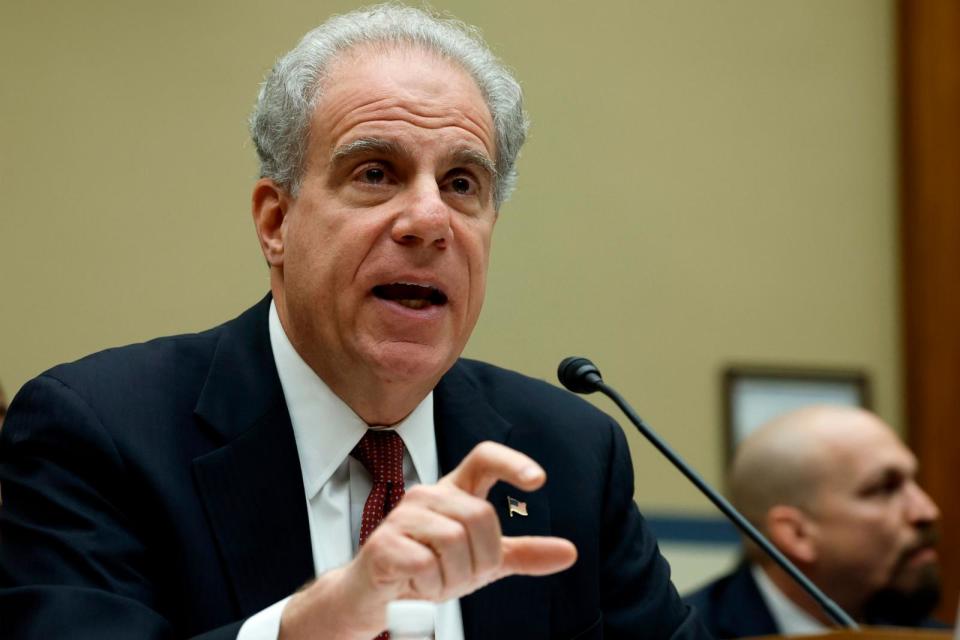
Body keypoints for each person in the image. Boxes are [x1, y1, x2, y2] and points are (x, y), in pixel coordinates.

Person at [0, 5, 710, 639]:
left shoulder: (570, 457)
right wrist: (310, 627)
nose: (429, 220)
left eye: (463, 184)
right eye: (376, 172)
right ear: (276, 222)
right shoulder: (99, 434)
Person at [684, 405, 943, 638]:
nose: (927, 511)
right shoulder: (684, 634)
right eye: (885, 488)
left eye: (913, 481)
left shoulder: (923, 632)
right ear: (796, 534)